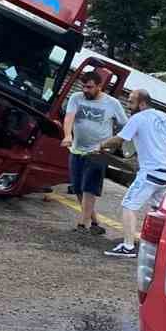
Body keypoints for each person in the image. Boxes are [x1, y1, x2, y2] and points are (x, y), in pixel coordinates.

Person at [97, 88, 166, 259]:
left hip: (150, 173)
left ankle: (128, 246)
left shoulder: (137, 118)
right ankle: (164, 247)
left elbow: (120, 140)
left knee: (129, 206)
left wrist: (101, 145)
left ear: (142, 103)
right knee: (161, 210)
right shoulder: (165, 116)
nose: (128, 105)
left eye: (131, 102)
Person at [62, 70, 126, 235]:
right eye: (83, 86)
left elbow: (124, 126)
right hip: (76, 149)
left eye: (89, 87)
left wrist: (114, 143)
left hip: (98, 152)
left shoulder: (112, 104)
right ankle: (95, 222)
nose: (85, 90)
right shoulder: (76, 98)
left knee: (89, 188)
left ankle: (82, 225)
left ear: (99, 86)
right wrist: (68, 135)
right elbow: (69, 117)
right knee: (77, 188)